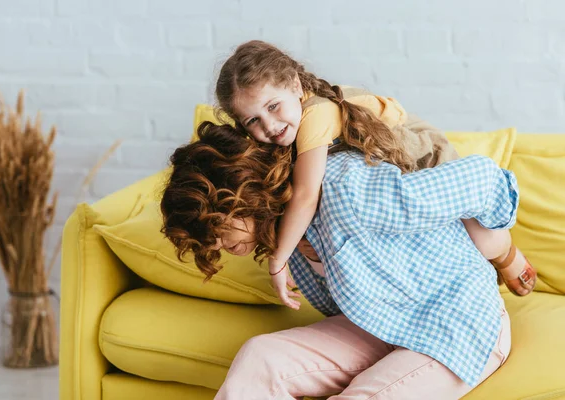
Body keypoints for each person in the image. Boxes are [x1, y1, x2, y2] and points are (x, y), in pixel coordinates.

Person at [161, 122, 517, 399]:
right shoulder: (283, 235)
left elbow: (481, 179)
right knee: (261, 358)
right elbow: (344, 299)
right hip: (383, 325)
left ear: (237, 194)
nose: (218, 245)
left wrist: (503, 251)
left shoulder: (345, 185)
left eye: (216, 229)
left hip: (459, 324)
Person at [214, 40, 535, 306]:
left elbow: (306, 194)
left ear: (296, 86)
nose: (269, 126)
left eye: (272, 106)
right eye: (252, 121)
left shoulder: (315, 115)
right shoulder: (288, 127)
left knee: (481, 238)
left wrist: (278, 259)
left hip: (420, 153)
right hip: (388, 166)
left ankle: (509, 257)